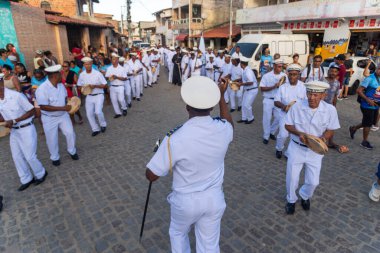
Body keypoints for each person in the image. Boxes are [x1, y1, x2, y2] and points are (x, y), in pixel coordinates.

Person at [145, 76, 233, 253]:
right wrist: (222, 96)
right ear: (211, 106)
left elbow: (152, 175)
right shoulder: (223, 129)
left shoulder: (174, 138)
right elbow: (229, 122)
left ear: (187, 107)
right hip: (214, 199)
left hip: (186, 202)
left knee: (178, 234)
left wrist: (158, 154)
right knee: (209, 245)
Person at [284, 80, 340, 214]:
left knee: (313, 181)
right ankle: (291, 200)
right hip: (297, 147)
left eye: (316, 95)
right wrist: (299, 133)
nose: (311, 97)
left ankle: (304, 195)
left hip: (316, 151)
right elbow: (287, 125)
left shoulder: (330, 110)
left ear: (323, 95)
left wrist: (324, 138)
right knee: (292, 178)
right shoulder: (297, 107)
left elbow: (331, 129)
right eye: (309, 93)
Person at [0, 73, 47, 191]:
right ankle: (26, 178)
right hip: (14, 132)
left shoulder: (16, 95)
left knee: (30, 156)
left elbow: (31, 111)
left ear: (1, 83)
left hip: (26, 128)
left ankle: (41, 173)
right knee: (17, 157)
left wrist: (15, 120)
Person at [35, 65, 79, 166]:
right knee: (52, 139)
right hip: (49, 118)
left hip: (63, 116)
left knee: (70, 133)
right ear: (55, 75)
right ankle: (55, 157)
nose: (62, 75)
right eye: (60, 74)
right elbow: (43, 106)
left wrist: (71, 104)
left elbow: (64, 99)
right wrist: (63, 108)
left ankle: (72, 151)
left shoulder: (61, 86)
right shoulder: (42, 89)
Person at [274, 64, 306, 159]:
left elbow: (307, 102)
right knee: (283, 135)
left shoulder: (304, 87)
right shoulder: (283, 87)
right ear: (287, 74)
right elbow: (276, 101)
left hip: (298, 116)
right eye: (290, 74)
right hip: (285, 115)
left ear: (299, 75)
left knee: (295, 136)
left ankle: (289, 153)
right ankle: (279, 148)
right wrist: (284, 106)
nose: (292, 76)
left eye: (295, 74)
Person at [349, 64, 380, 150]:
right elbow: (359, 91)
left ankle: (353, 128)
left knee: (369, 122)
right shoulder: (370, 78)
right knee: (368, 123)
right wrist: (368, 100)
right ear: (377, 69)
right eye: (379, 69)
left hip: (376, 105)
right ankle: (364, 141)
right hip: (367, 105)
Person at [323, 64, 349, 154]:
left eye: (335, 71)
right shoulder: (322, 81)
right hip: (320, 106)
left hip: (330, 107)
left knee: (331, 125)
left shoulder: (337, 83)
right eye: (332, 71)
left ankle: (330, 142)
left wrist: (334, 108)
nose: (333, 73)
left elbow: (335, 96)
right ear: (328, 71)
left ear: (337, 73)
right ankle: (320, 141)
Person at [77, 57, 108, 136]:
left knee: (98, 112)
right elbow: (79, 86)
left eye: (89, 64)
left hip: (98, 95)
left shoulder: (97, 73)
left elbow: (105, 85)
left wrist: (96, 86)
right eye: (86, 64)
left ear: (91, 64)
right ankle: (95, 129)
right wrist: (83, 88)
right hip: (89, 96)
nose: (88, 66)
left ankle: (103, 124)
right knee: (89, 114)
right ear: (84, 65)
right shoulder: (82, 75)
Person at [259, 59, 287, 144]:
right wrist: (274, 86)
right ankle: (266, 136)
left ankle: (271, 131)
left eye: (281, 66)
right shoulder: (266, 76)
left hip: (278, 101)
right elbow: (262, 88)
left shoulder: (284, 75)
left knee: (279, 118)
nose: (280, 68)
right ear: (274, 66)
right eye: (278, 66)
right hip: (268, 100)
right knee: (267, 119)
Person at [235, 57, 259, 124]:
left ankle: (251, 118)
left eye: (240, 63)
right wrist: (237, 81)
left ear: (241, 64)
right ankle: (244, 118)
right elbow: (244, 79)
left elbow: (251, 82)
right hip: (247, 90)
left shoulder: (248, 71)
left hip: (252, 90)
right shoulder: (245, 69)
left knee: (247, 105)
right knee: (243, 104)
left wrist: (241, 84)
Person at [105, 54, 128, 118]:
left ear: (117, 60)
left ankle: (124, 108)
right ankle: (118, 113)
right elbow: (106, 77)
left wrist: (117, 77)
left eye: (114, 59)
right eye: (112, 59)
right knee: (114, 100)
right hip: (112, 86)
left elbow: (125, 78)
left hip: (120, 86)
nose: (113, 61)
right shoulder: (109, 68)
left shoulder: (122, 68)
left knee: (121, 99)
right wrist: (110, 77)